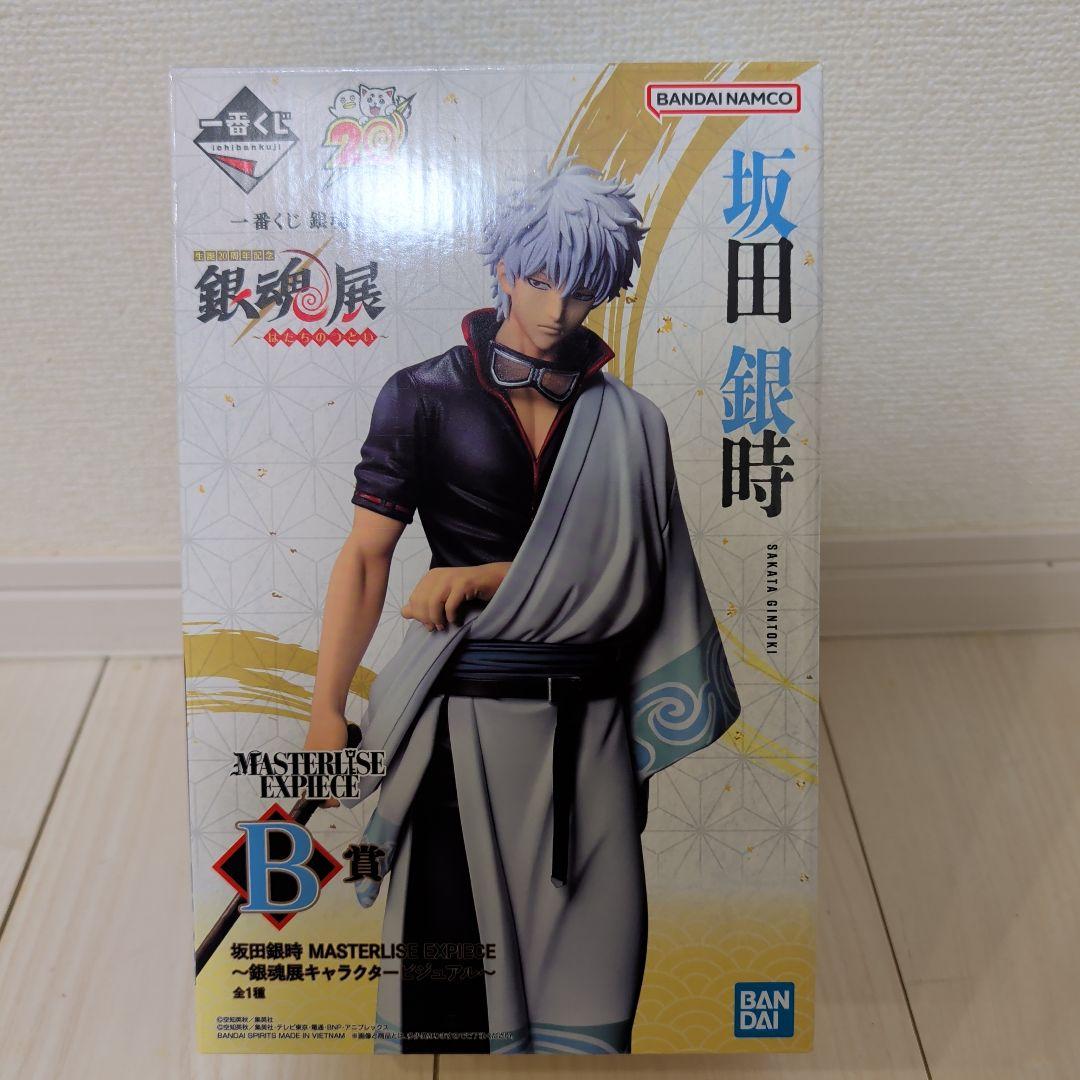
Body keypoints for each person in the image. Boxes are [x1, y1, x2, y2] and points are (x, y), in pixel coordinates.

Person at [305, 157, 740, 1055]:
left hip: (590, 724)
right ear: (502, 267)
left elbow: (639, 571)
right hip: (460, 717)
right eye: (539, 280)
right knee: (449, 984)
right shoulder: (422, 395)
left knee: (591, 975)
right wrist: (324, 707)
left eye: (581, 290)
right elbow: (366, 557)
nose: (555, 310)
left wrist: (491, 576)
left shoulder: (636, 423)